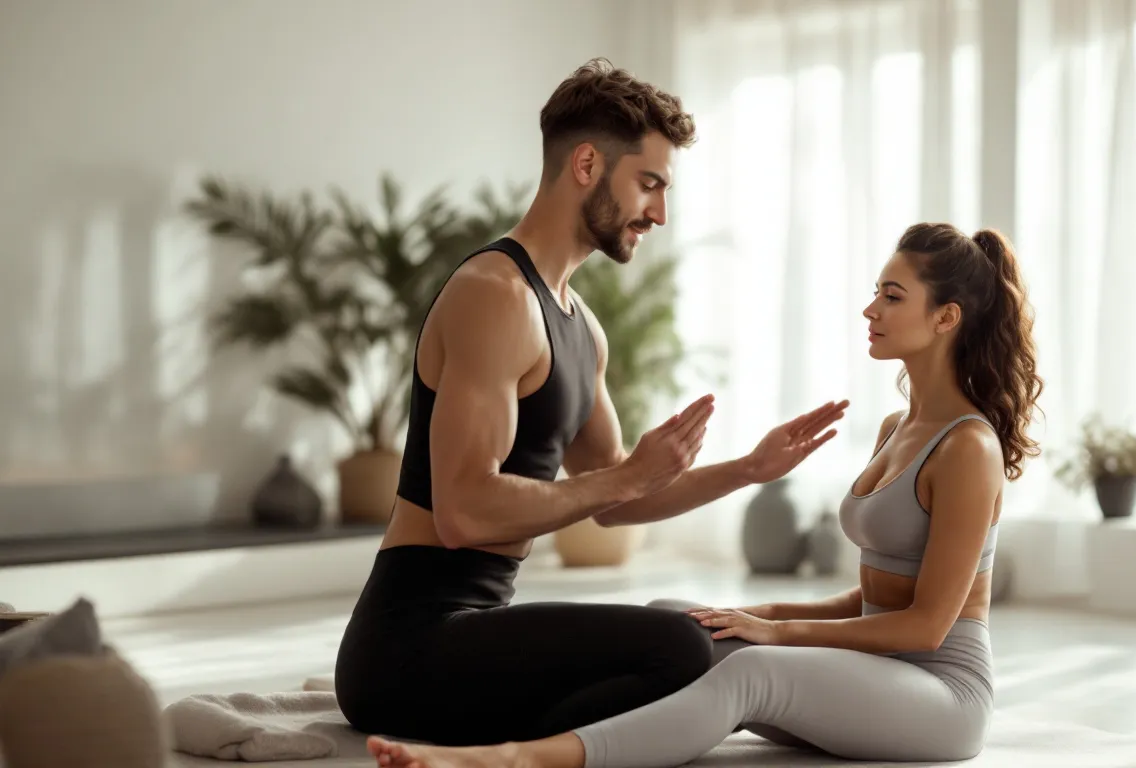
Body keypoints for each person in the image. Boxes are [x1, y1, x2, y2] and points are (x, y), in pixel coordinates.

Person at [363, 221, 1045, 768]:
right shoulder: (901, 427)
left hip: (940, 694)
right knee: (678, 622)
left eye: (893, 297)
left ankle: (516, 758)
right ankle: (536, 718)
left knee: (750, 675)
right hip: (879, 669)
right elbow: (870, 600)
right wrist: (745, 613)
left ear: (946, 318)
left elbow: (926, 626)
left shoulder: (968, 449)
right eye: (876, 290)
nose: (870, 308)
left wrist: (774, 632)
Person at [333, 58, 848, 749]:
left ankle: (525, 755)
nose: (660, 212)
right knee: (681, 651)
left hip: (474, 633)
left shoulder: (580, 327)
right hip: (407, 650)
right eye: (650, 184)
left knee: (697, 645)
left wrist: (748, 469)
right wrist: (630, 473)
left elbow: (613, 499)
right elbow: (463, 512)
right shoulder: (494, 294)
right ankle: (525, 757)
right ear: (585, 165)